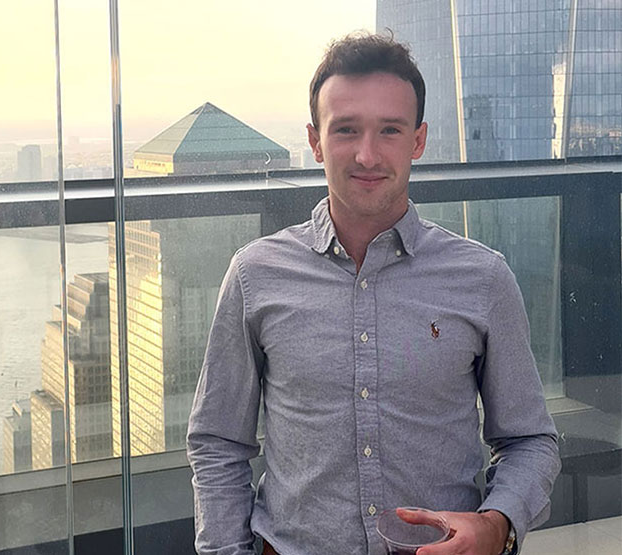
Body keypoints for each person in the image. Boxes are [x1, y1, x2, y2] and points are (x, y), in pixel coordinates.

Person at [187, 32, 560, 555]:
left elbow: (529, 441)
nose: (367, 154)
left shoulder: (483, 278)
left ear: (418, 140)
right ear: (316, 141)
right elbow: (218, 442)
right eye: (346, 130)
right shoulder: (255, 275)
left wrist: (497, 525)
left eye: (390, 129)